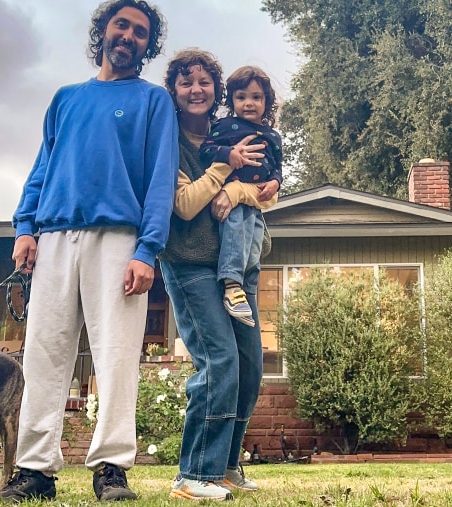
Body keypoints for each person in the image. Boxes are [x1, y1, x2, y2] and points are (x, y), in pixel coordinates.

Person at [0, 0, 177, 503]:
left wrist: (147, 249)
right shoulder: (65, 99)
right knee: (44, 353)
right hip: (53, 238)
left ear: (146, 44)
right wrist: (25, 227)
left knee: (115, 357)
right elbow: (41, 169)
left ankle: (111, 468)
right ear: (104, 32)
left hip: (120, 239)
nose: (129, 35)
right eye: (122, 25)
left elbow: (159, 182)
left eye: (140, 31)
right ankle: (35, 470)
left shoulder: (154, 102)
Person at [160, 49, 272, 502]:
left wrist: (240, 189)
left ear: (216, 90)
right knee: (219, 359)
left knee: (249, 365)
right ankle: (192, 474)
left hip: (236, 268)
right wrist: (227, 166)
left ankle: (226, 467)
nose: (196, 90)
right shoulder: (166, 140)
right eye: (186, 83)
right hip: (188, 264)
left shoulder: (234, 131)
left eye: (204, 82)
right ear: (175, 90)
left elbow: (263, 193)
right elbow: (184, 205)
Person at [199, 66, 282, 325]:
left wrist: (276, 184)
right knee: (235, 233)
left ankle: (246, 289)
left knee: (255, 245)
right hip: (233, 198)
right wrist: (229, 155)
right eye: (241, 97)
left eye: (256, 97)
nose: (249, 103)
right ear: (232, 99)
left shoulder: (273, 136)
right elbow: (206, 150)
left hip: (255, 201)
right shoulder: (225, 126)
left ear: (266, 102)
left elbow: (278, 168)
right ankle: (231, 284)